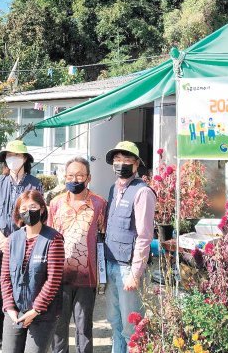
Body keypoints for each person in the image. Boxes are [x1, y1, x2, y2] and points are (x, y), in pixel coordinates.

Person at [0, 140, 44, 350]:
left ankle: (23, 333)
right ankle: (1, 342)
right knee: (1, 292)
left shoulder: (35, 184)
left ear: (25, 159)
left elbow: (36, 216)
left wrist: (15, 241)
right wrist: (3, 239)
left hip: (24, 245)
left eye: (17, 155)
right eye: (9, 155)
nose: (13, 159)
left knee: (24, 288)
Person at [49, 157, 107, 353]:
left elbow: (103, 234)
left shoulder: (99, 204)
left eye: (80, 175)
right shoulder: (56, 203)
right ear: (64, 177)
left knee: (84, 329)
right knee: (58, 327)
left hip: (86, 277)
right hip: (58, 276)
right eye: (71, 176)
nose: (75, 179)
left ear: (88, 177)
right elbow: (48, 237)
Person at [103, 141, 156, 353]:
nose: (121, 164)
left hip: (128, 270)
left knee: (131, 325)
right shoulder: (112, 189)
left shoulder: (143, 192)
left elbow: (144, 236)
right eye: (117, 160)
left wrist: (136, 273)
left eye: (126, 160)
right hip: (110, 264)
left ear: (136, 165)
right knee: (114, 321)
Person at [0, 189, 65, 353]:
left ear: (42, 209)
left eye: (33, 206)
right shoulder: (12, 240)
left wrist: (35, 310)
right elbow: (5, 277)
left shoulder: (53, 239)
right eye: (23, 209)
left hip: (43, 314)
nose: (28, 212)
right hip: (15, 311)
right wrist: (9, 308)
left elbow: (53, 280)